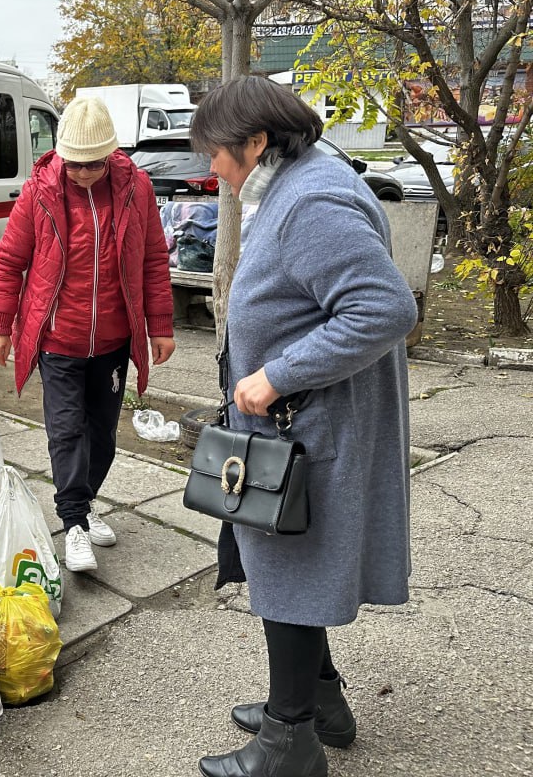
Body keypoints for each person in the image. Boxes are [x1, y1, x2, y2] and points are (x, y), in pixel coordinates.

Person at [190, 76, 418, 777]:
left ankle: (289, 742)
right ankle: (320, 704)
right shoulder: (302, 183)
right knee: (296, 567)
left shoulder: (312, 199)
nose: (211, 169)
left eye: (215, 153)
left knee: (289, 571)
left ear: (256, 141)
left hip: (309, 425)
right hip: (306, 422)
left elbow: (384, 308)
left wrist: (276, 375)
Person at [0, 95, 175, 575]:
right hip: (59, 341)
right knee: (67, 431)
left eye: (94, 164)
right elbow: (9, 262)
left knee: (103, 435)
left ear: (111, 154)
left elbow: (154, 258)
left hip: (112, 341)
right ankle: (73, 522)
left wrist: (160, 326)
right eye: (75, 164)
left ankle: (85, 506)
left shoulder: (136, 189)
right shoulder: (38, 192)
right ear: (61, 154)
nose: (85, 173)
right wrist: (0, 328)